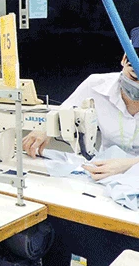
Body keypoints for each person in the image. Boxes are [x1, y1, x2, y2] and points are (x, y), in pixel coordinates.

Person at [23, 27, 139, 181]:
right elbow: (64, 111)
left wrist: (128, 165)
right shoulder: (96, 85)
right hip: (103, 169)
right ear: (124, 59)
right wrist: (45, 128)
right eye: (133, 78)